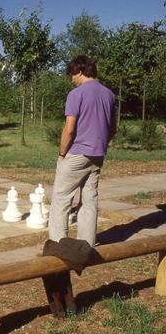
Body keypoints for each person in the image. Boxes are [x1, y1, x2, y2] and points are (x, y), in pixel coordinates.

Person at [48, 55, 116, 247]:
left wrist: (62, 154)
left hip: (76, 154)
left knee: (61, 199)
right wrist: (101, 144)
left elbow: (69, 129)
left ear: (79, 71)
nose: (72, 79)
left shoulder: (76, 94)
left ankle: (58, 245)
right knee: (89, 200)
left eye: (72, 75)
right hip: (97, 154)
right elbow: (113, 129)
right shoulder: (109, 94)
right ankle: (87, 245)